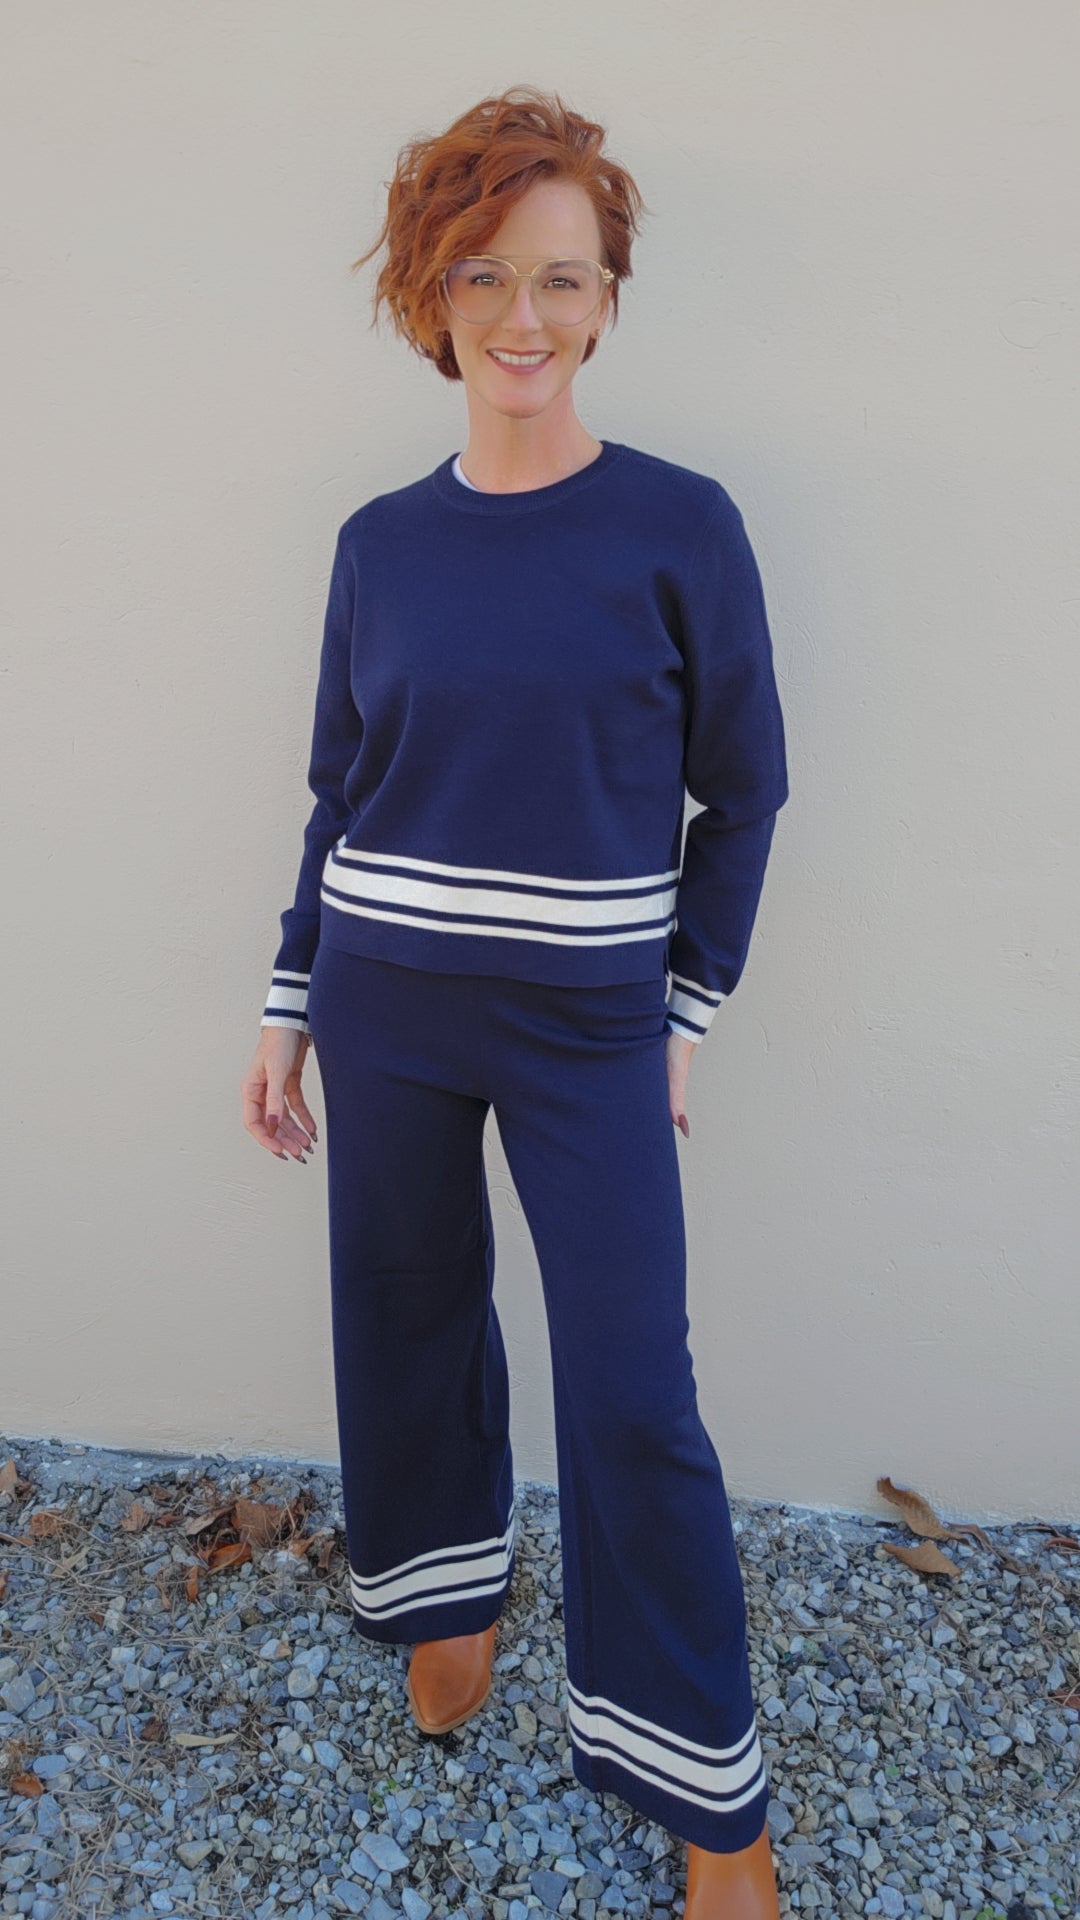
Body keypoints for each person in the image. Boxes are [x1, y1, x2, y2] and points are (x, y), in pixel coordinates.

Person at [241, 85, 789, 1920]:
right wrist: (289, 1000)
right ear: (433, 296)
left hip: (588, 1029)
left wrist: (681, 1014)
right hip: (387, 995)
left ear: (609, 297)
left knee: (634, 1392)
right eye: (482, 274)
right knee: (406, 1316)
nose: (522, 314)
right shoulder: (379, 544)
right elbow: (340, 791)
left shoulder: (682, 529)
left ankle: (710, 1794)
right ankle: (446, 1595)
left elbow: (745, 796)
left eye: (560, 276)